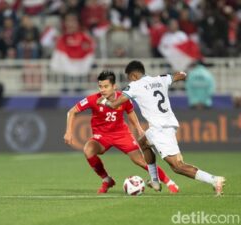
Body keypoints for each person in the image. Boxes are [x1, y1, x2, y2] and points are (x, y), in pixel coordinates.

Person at [97, 60, 225, 196]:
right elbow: (180, 75)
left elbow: (115, 104)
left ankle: (214, 180)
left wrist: (104, 101)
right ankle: (154, 180)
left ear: (133, 75)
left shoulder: (134, 85)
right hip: (163, 125)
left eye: (129, 77)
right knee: (143, 142)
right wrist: (184, 73)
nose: (129, 80)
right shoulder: (161, 79)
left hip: (161, 129)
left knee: (177, 166)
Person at [64, 70, 179, 194]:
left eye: (106, 86)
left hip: (122, 134)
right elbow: (72, 111)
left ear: (114, 86)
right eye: (100, 86)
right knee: (88, 150)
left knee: (140, 160)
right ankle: (106, 179)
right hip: (101, 137)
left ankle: (168, 182)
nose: (102, 90)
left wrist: (139, 129)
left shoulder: (123, 98)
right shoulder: (93, 99)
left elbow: (130, 113)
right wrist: (69, 132)